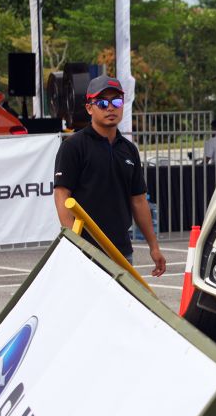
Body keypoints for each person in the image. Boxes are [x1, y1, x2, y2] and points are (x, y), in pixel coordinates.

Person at [53, 74, 166, 276]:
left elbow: (139, 200)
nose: (111, 108)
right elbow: (62, 195)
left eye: (116, 101)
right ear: (89, 107)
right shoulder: (74, 146)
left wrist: (153, 246)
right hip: (85, 250)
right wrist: (74, 243)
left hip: (121, 251)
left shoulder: (129, 149)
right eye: (103, 102)